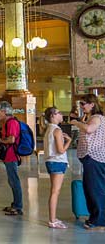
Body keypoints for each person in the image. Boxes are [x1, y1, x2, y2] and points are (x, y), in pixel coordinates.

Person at [71, 93, 105, 231]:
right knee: (90, 188)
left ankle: (99, 220)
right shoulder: (91, 118)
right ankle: (95, 217)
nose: (82, 106)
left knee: (95, 189)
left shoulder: (97, 118)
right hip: (91, 158)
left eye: (83, 104)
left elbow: (89, 129)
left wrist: (77, 122)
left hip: (95, 158)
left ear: (92, 104)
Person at [43, 106, 72, 229]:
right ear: (52, 116)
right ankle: (52, 220)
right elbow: (60, 150)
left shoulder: (49, 129)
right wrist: (69, 141)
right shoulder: (57, 130)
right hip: (57, 162)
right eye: (59, 113)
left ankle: (53, 218)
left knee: (54, 191)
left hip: (50, 161)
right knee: (55, 191)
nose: (61, 115)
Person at [0, 101, 23, 216]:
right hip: (8, 156)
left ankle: (18, 206)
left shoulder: (11, 123)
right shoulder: (6, 123)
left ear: (4, 111)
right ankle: (15, 203)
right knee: (11, 180)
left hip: (12, 155)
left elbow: (11, 140)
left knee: (14, 180)